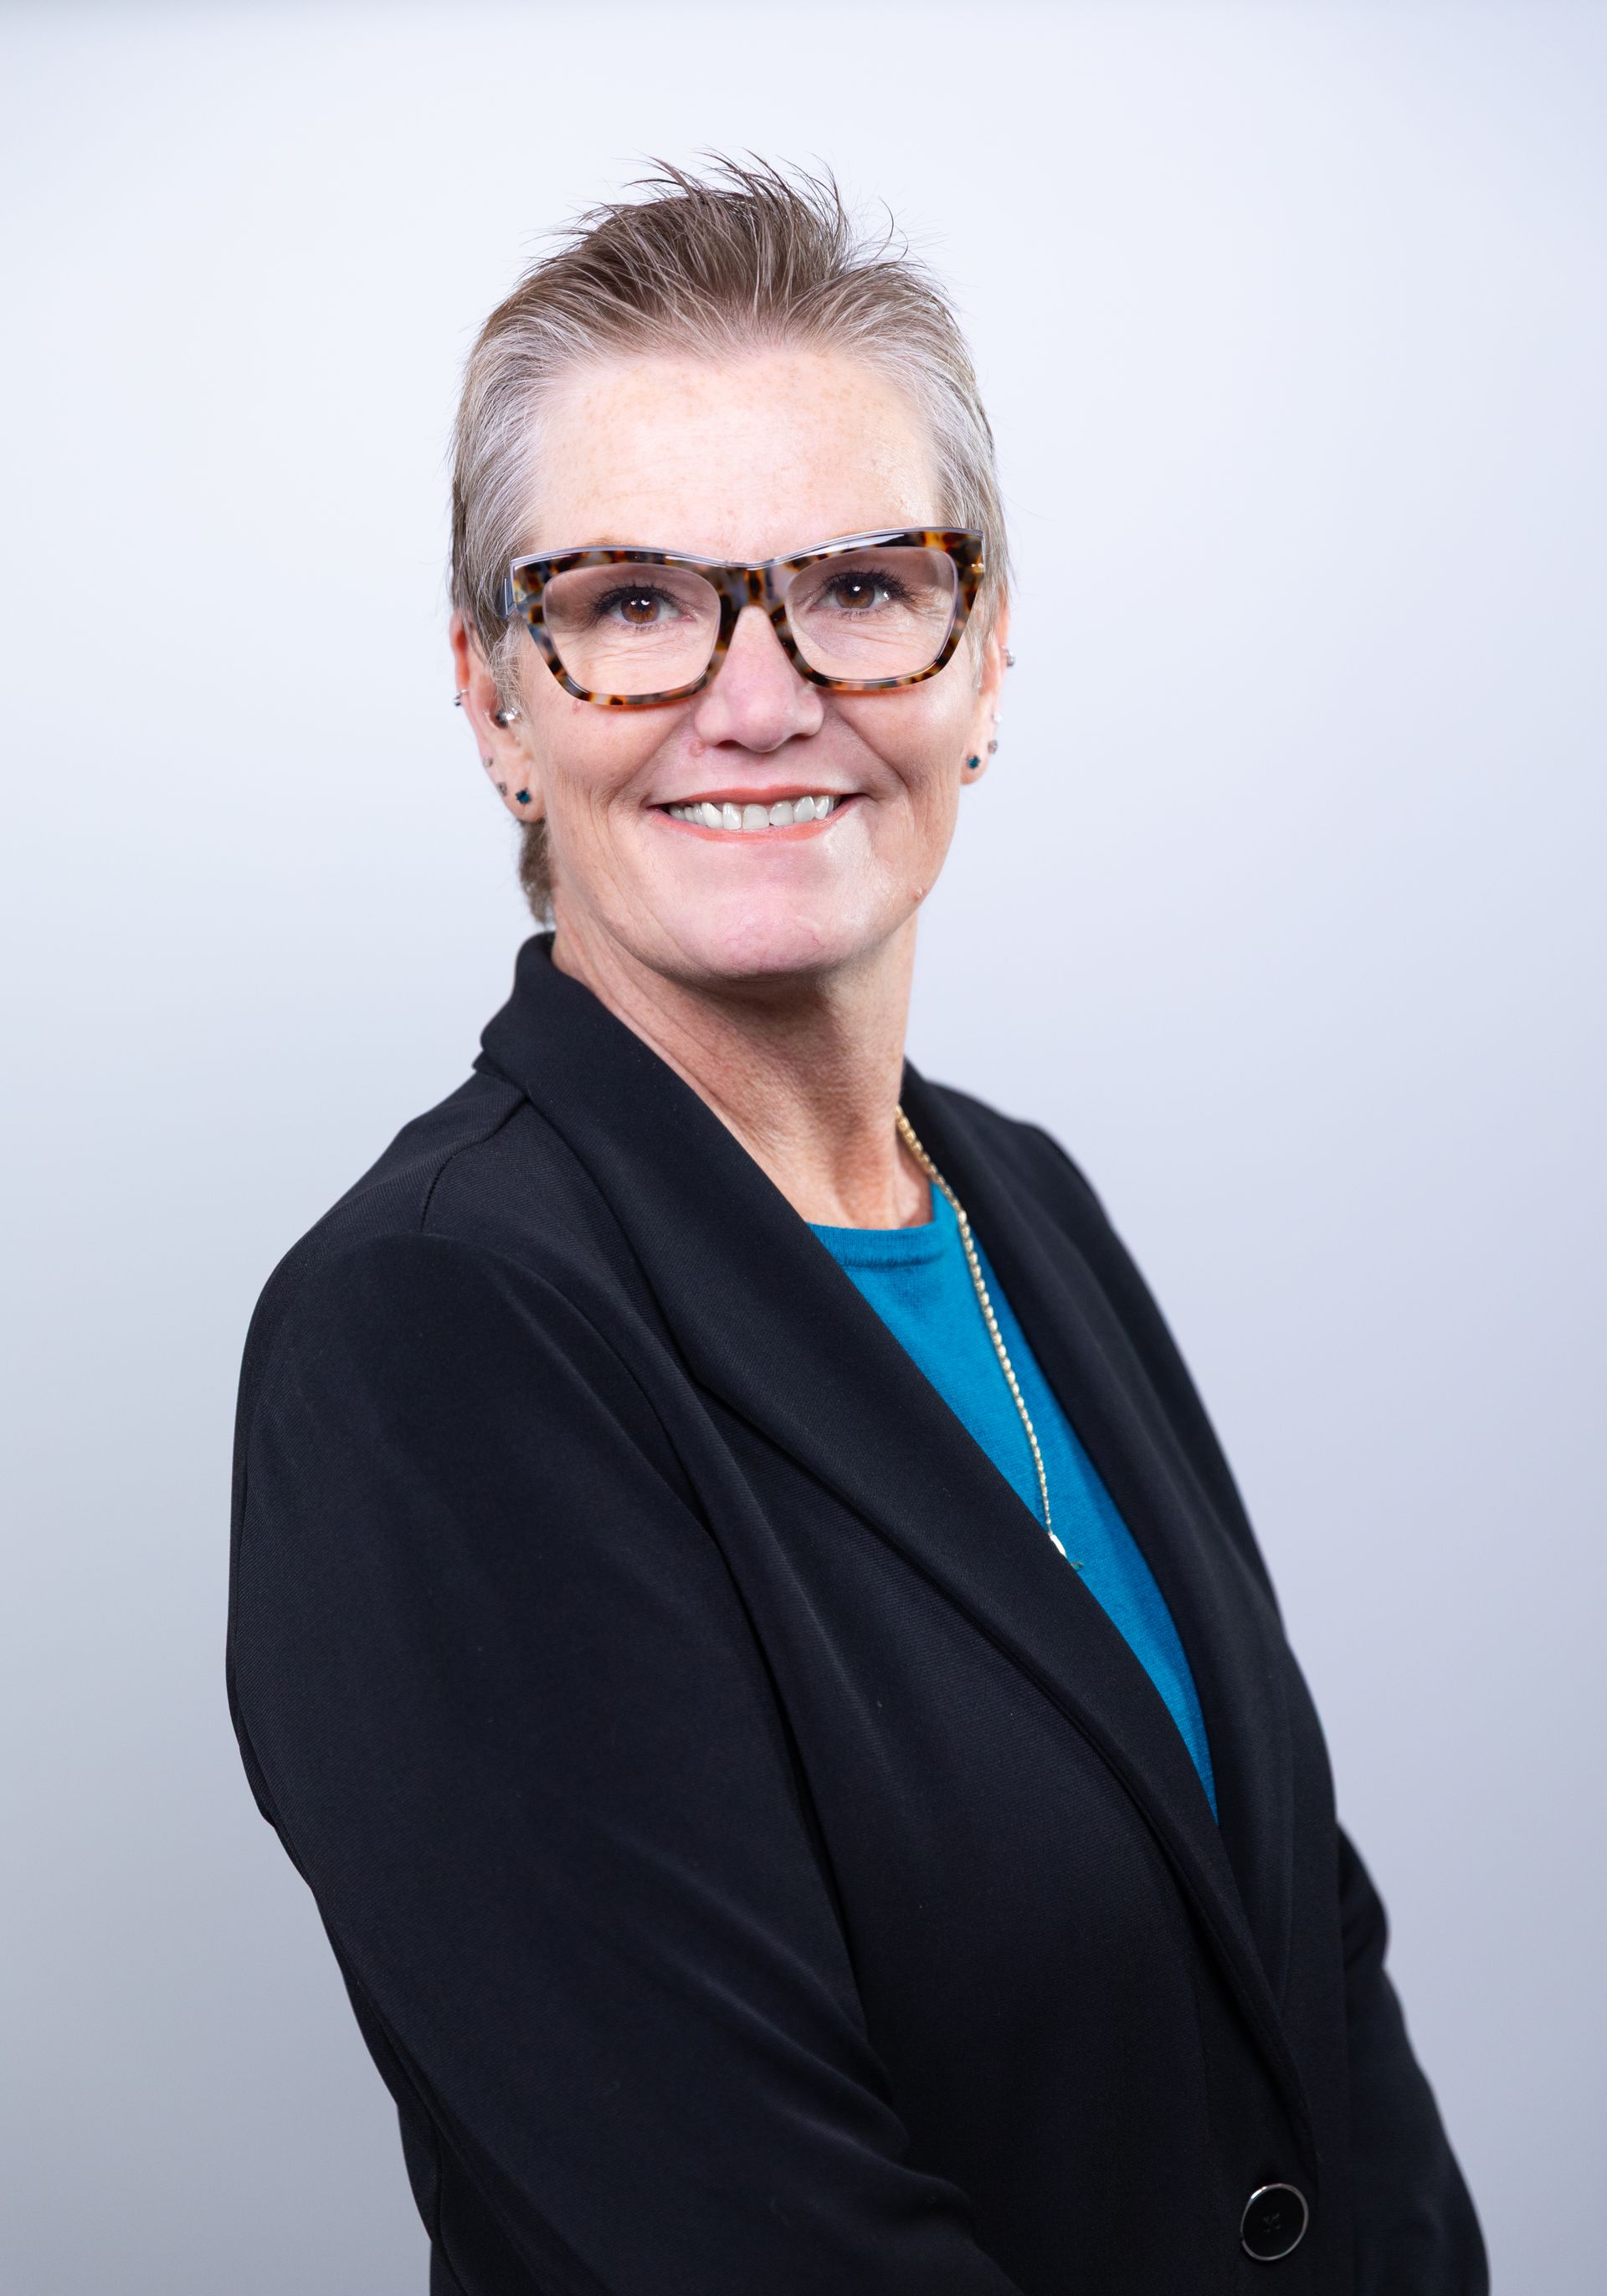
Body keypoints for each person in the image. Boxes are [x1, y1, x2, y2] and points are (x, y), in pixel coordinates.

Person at [227, 159, 1486, 2295]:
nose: (760, 691)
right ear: (492, 698)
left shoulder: (1021, 1205)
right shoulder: (434, 1331)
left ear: (984, 654)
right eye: (633, 602)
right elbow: (751, 2238)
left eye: (864, 584)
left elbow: (1309, 1981)